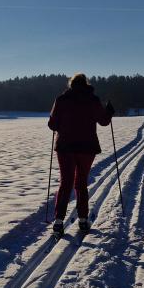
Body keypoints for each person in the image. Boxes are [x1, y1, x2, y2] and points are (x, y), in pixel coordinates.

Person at [47, 73, 115, 233]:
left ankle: (58, 221)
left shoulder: (61, 99)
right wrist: (109, 111)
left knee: (66, 183)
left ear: (71, 84)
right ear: (86, 84)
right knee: (81, 183)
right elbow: (104, 121)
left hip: (65, 147)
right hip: (87, 147)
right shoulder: (93, 100)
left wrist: (57, 122)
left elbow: (52, 125)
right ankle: (83, 220)